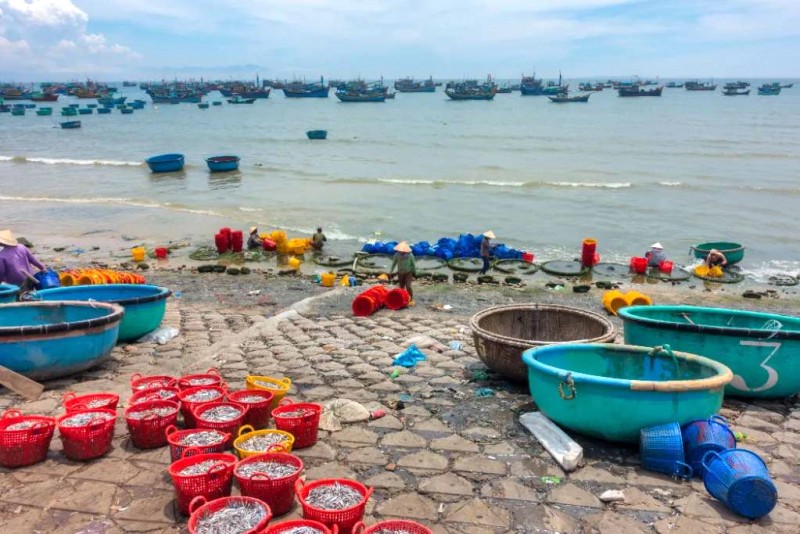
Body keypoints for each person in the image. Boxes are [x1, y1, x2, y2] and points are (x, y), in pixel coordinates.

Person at [389, 241, 416, 305]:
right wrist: (390, 271)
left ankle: (411, 298)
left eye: (402, 250)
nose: (400, 251)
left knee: (408, 286)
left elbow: (413, 264)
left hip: (408, 273)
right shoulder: (396, 255)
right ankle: (403, 298)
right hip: (400, 273)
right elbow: (394, 264)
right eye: (399, 249)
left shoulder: (410, 255)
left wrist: (415, 272)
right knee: (401, 287)